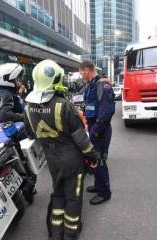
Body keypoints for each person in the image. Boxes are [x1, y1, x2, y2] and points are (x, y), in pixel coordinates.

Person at [24, 59, 99, 240]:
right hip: (72, 161)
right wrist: (94, 156)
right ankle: (71, 234)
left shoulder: (28, 107)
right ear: (56, 79)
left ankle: (56, 234)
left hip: (53, 161)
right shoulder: (62, 105)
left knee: (58, 194)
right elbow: (81, 138)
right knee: (73, 197)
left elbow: (31, 135)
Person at [80, 60, 115, 205]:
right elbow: (91, 107)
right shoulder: (92, 85)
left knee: (99, 160)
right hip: (94, 126)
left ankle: (104, 192)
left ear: (87, 70)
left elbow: (107, 111)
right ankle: (98, 185)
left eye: (81, 72)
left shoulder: (102, 85)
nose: (81, 75)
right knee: (94, 159)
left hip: (101, 129)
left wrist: (96, 131)